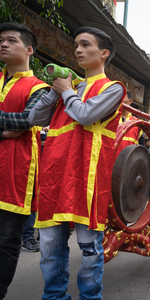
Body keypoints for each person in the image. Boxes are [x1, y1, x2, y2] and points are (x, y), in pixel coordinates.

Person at [29, 26, 126, 298]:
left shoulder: (112, 88)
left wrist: (67, 92)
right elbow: (35, 119)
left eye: (85, 45)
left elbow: (85, 115)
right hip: (54, 177)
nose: (78, 50)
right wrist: (57, 91)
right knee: (49, 248)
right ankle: (54, 295)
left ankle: (89, 296)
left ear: (104, 53)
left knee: (88, 249)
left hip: (87, 179)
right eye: (76, 46)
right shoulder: (69, 89)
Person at [0, 22, 49, 299]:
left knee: (6, 240)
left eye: (11, 40)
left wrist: (16, 126)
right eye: (1, 41)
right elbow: (14, 124)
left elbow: (28, 120)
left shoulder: (38, 88)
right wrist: (6, 130)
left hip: (15, 172)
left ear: (29, 49)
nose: (3, 44)